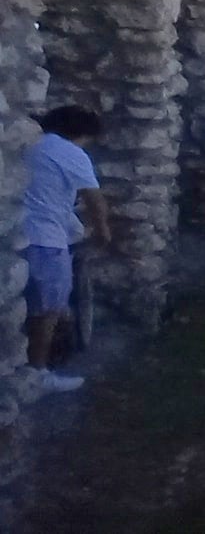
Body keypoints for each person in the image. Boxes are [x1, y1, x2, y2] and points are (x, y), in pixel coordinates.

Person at [19, 106, 108, 394]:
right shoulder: (71, 153)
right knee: (48, 310)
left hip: (17, 236)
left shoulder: (31, 146)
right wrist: (103, 231)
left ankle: (21, 364)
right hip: (47, 240)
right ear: (81, 133)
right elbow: (94, 198)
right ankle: (38, 374)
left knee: (25, 307)